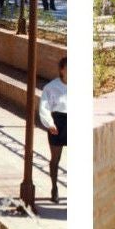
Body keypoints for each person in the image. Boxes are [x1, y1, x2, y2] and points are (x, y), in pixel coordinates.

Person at [38, 57, 67, 203]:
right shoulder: (51, 87)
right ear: (62, 69)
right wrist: (49, 123)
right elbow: (44, 107)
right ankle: (54, 187)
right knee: (56, 158)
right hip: (58, 123)